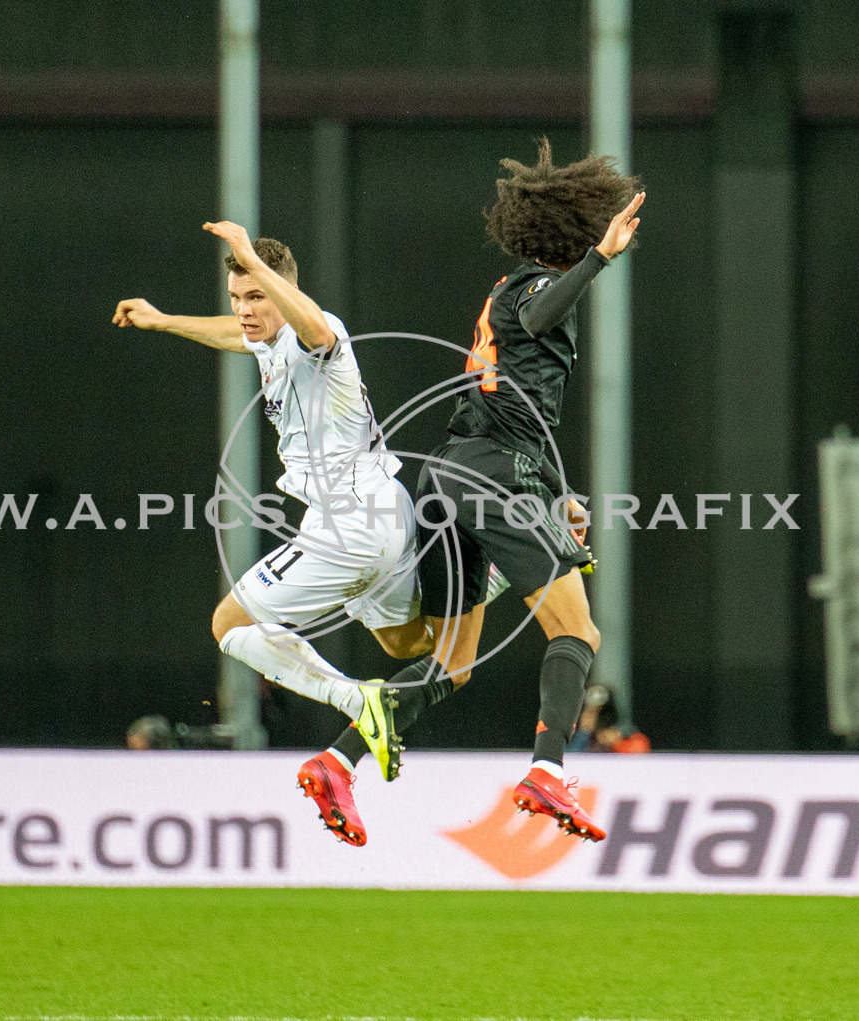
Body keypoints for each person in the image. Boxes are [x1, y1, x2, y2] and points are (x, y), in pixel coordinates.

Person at [305, 139, 644, 845]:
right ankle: (548, 771)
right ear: (575, 232)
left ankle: (338, 759)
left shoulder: (501, 288)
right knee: (578, 630)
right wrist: (600, 260)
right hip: (494, 474)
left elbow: (509, 409)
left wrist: (558, 490)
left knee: (451, 663)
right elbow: (540, 317)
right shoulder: (529, 292)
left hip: (453, 473)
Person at [113, 223, 435, 841]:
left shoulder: (323, 334)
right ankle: (506, 569)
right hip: (382, 513)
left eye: (256, 297)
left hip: (349, 524)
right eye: (237, 297)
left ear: (285, 289)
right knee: (409, 645)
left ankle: (354, 701)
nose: (245, 311)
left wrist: (250, 263)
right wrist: (161, 320)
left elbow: (311, 327)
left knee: (228, 625)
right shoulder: (266, 335)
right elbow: (238, 336)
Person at [570, 684, 651, 753]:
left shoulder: (627, 737)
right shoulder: (580, 735)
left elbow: (640, 752)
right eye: (590, 712)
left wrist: (618, 743)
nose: (595, 717)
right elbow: (570, 759)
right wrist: (584, 732)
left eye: (601, 712)